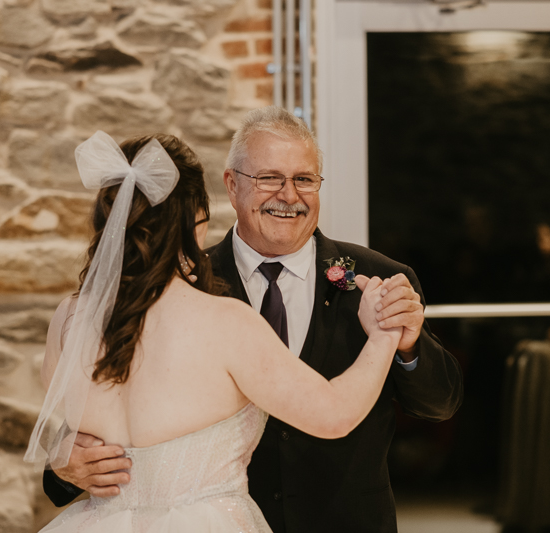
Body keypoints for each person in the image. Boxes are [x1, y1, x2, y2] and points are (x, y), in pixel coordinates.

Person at [43, 107, 464, 532]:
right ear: (231, 186)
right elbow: (89, 426)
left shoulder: (380, 278)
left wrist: (406, 344)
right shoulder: (200, 294)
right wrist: (64, 463)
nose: (289, 195)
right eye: (269, 178)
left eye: (304, 179)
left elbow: (441, 404)